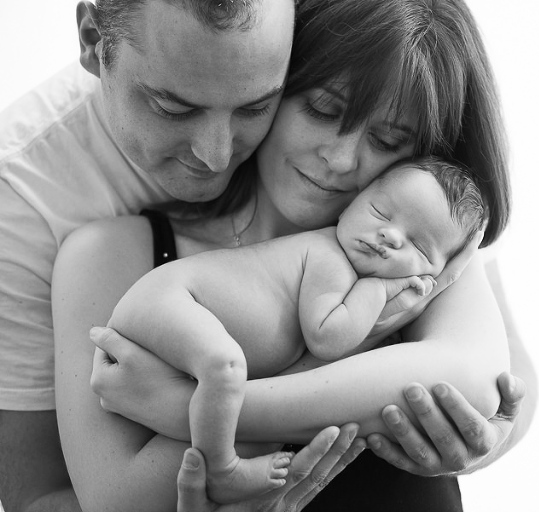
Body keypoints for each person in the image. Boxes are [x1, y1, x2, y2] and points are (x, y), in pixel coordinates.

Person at [52, 0, 536, 511]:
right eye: (323, 110)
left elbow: (472, 387)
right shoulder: (110, 255)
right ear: (271, 82)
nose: (341, 158)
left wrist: (189, 410)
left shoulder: (411, 256)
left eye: (388, 140)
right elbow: (116, 500)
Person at [0, 0, 369, 511]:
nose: (217, 155)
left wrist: (486, 427)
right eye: (174, 109)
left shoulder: (319, 45)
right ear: (91, 40)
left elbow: (507, 390)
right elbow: (35, 497)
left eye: (256, 107)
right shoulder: (18, 202)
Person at [106, 158, 486, 503]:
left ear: (435, 275)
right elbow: (328, 339)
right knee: (224, 367)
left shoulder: (349, 270)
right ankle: (222, 469)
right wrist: (380, 290)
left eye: (418, 245)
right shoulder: (328, 256)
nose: (390, 235)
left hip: (165, 305)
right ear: (353, 202)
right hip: (170, 299)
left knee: (222, 368)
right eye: (380, 211)